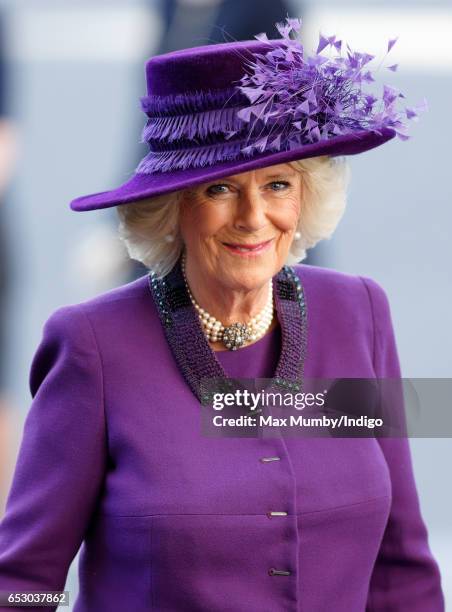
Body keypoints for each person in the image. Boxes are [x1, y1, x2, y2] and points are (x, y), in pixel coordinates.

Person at [0, 17, 444, 612]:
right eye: (221, 189)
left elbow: (401, 569)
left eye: (279, 184)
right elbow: (24, 583)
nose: (254, 217)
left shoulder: (358, 314)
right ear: (170, 207)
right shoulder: (93, 346)